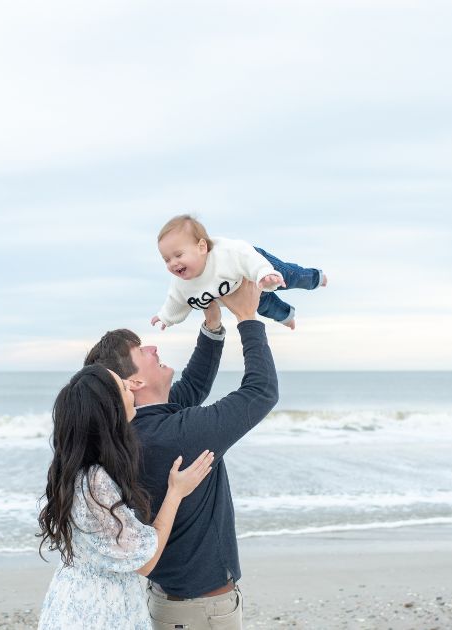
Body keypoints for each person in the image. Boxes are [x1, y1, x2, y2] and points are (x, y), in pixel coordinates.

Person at [86, 276, 277, 630]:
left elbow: (190, 388)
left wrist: (212, 324)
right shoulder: (176, 436)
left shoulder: (136, 430)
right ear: (135, 384)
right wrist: (249, 318)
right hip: (199, 612)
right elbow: (261, 392)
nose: (153, 349)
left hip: (175, 603)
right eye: (141, 352)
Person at [36, 365, 216, 629]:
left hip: (71, 601)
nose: (131, 386)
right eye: (122, 386)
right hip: (98, 612)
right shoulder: (96, 481)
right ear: (111, 410)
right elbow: (146, 561)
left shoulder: (75, 470)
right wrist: (176, 492)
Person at [151, 214, 327, 330]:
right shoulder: (181, 284)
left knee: (290, 276)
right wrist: (166, 317)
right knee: (266, 307)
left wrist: (264, 273)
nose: (173, 263)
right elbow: (175, 301)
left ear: (202, 247)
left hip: (253, 265)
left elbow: (247, 257)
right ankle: (287, 317)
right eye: (166, 259)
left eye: (178, 255)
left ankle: (316, 278)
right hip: (238, 292)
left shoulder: (227, 253)